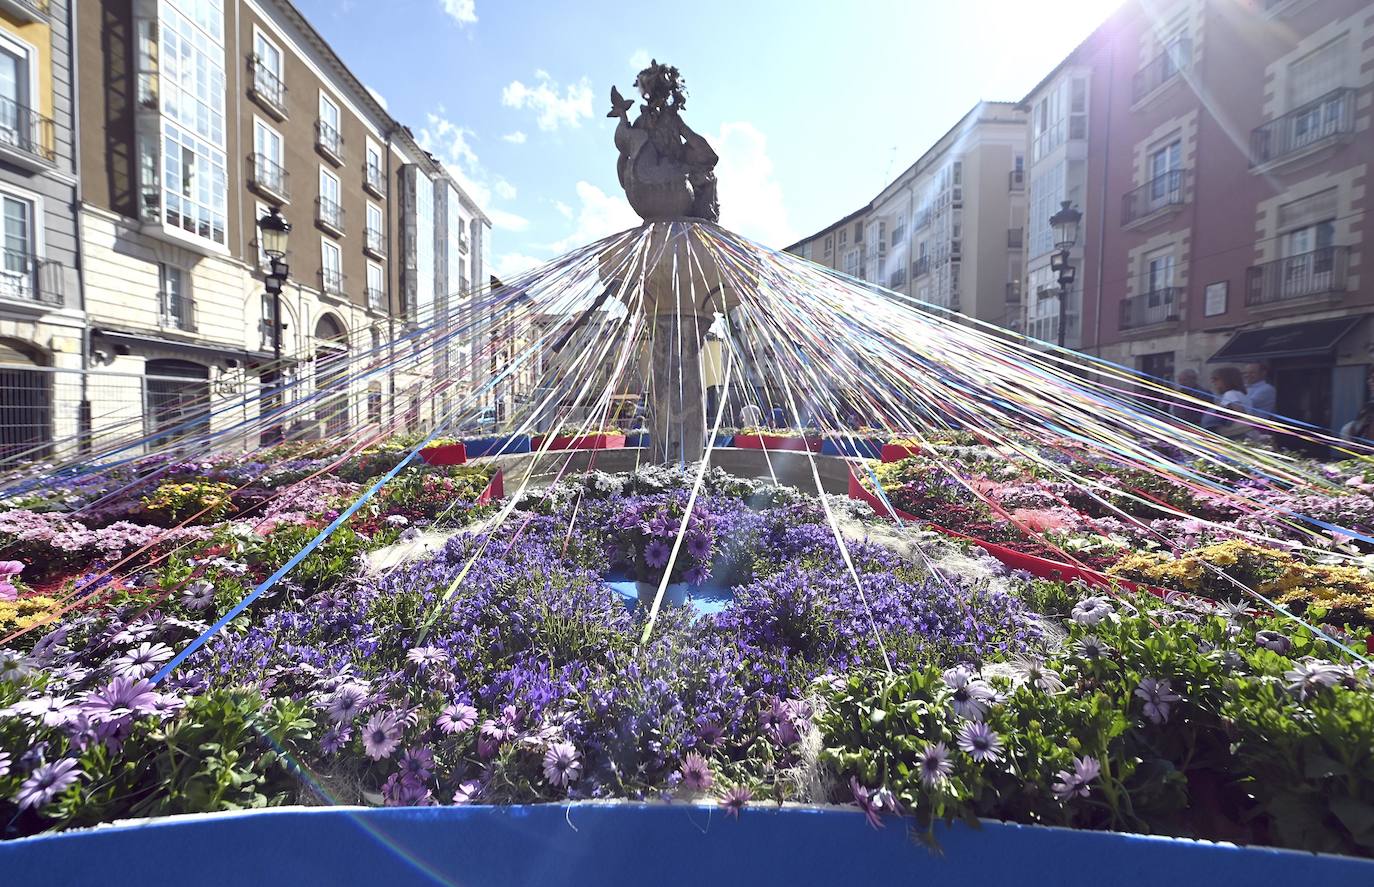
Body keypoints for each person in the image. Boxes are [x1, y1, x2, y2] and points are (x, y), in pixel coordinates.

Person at [1208, 366, 1254, 440]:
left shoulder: (1230, 394)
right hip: (1245, 433)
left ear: (1227, 380)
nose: (1213, 382)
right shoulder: (1240, 394)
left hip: (1238, 435)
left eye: (1216, 379)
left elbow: (1241, 413)